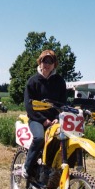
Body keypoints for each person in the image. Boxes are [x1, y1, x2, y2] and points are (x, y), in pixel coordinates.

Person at [22, 50, 67, 180]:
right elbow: (29, 106)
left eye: (50, 61)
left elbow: (62, 104)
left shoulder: (60, 81)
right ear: (40, 62)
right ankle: (27, 167)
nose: (47, 64)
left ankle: (52, 171)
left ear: (54, 64)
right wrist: (43, 121)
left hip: (55, 120)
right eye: (44, 61)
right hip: (36, 119)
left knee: (64, 140)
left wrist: (58, 119)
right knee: (39, 138)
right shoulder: (33, 81)